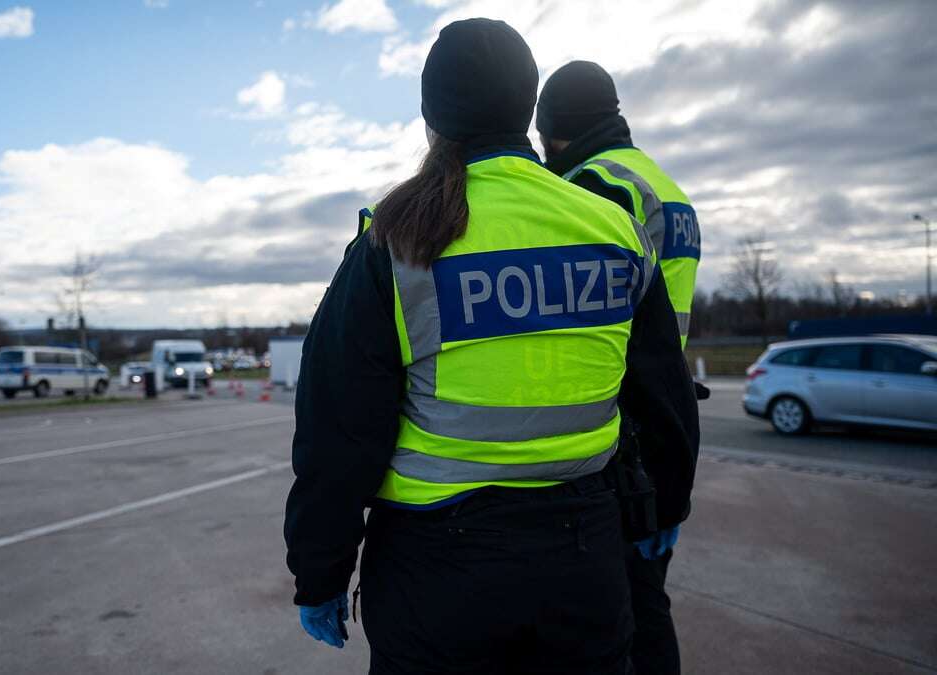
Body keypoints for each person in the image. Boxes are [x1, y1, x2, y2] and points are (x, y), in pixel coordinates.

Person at [284, 19, 699, 675]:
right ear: (525, 106)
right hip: (584, 560)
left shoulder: (395, 239)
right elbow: (664, 394)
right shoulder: (613, 228)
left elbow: (337, 430)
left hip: (437, 577)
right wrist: (665, 501)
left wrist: (321, 569)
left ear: (431, 118)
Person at [537, 60, 703, 675]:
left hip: (623, 425)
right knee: (646, 598)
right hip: (667, 407)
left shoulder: (596, 186)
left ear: (553, 126)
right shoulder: (666, 185)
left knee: (624, 616)